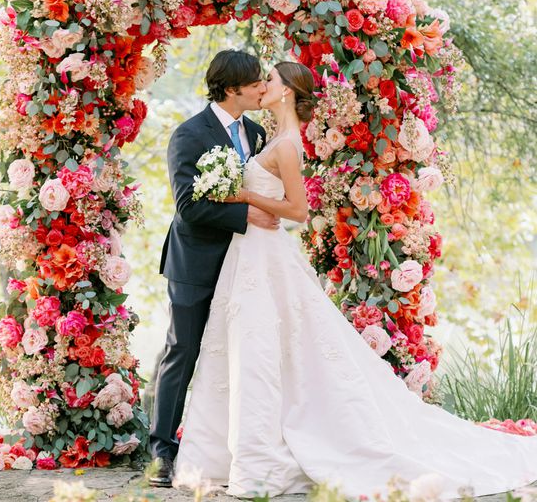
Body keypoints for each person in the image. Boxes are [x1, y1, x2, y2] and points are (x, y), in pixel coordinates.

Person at [174, 61, 537, 498]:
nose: (262, 85)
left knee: (266, 349)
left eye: (269, 80)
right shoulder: (262, 136)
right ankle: (229, 452)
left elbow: (298, 211)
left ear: (287, 92)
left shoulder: (286, 145)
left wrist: (243, 195)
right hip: (250, 255)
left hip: (264, 254)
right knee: (253, 350)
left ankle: (264, 454)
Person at [148, 50, 278, 487]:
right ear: (231, 88)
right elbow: (188, 207)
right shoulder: (189, 135)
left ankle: (221, 449)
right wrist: (247, 217)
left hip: (246, 265)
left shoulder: (258, 134)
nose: (263, 88)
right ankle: (161, 453)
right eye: (256, 82)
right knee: (182, 352)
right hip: (196, 263)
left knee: (240, 358)